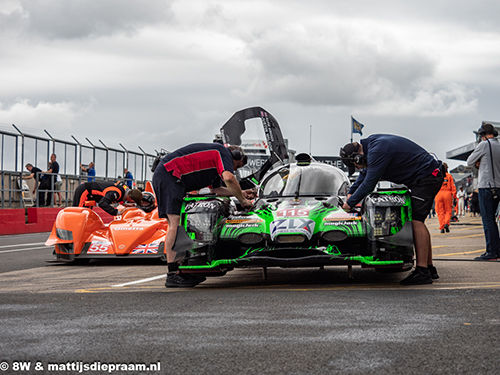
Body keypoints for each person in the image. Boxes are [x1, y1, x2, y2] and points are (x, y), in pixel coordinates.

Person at [340, 134, 444, 285]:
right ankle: (428, 268)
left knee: (416, 221)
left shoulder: (378, 150)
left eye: (355, 165)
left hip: (427, 177)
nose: (357, 168)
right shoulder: (372, 147)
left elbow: (369, 183)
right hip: (425, 176)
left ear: (358, 157)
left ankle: (423, 272)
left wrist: (349, 205)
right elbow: (364, 175)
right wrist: (350, 194)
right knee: (418, 221)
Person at [152, 143, 253, 288]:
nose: (236, 169)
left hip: (172, 177)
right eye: (238, 165)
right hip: (170, 175)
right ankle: (173, 274)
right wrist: (243, 201)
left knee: (180, 223)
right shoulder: (223, 153)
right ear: (236, 156)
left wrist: (241, 193)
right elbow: (229, 178)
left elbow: (217, 190)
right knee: (175, 223)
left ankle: (181, 270)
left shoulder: (215, 165)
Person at [467, 123, 500, 260]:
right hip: (498, 186)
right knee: (494, 220)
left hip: (486, 186)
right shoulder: (498, 145)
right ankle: (497, 250)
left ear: (482, 135)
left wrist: (477, 162)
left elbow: (469, 161)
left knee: (488, 220)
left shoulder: (484, 145)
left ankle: (492, 251)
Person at [72, 180, 143, 216]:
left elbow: (119, 184)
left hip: (92, 195)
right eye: (133, 202)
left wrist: (125, 204)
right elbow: (102, 203)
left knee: (86, 215)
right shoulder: (116, 193)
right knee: (78, 214)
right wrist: (116, 212)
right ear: (131, 200)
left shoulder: (125, 189)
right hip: (85, 191)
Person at [434, 163, 457, 233]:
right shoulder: (449, 176)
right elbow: (453, 186)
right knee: (448, 210)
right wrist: (455, 196)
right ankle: (446, 223)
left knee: (440, 212)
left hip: (439, 193)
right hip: (447, 194)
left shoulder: (437, 175)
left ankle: (442, 227)